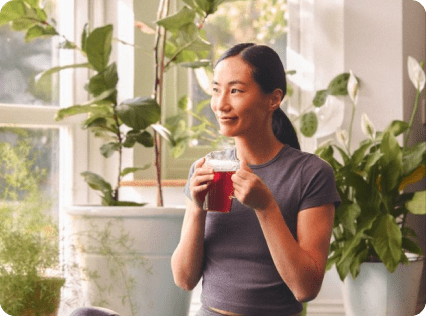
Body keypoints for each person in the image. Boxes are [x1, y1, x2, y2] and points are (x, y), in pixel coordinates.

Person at [171, 43, 341, 316]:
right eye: (216, 90)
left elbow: (306, 288)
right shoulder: (205, 169)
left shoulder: (311, 173)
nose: (221, 104)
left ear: (273, 99)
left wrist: (266, 207)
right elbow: (184, 279)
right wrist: (195, 207)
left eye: (235, 90)